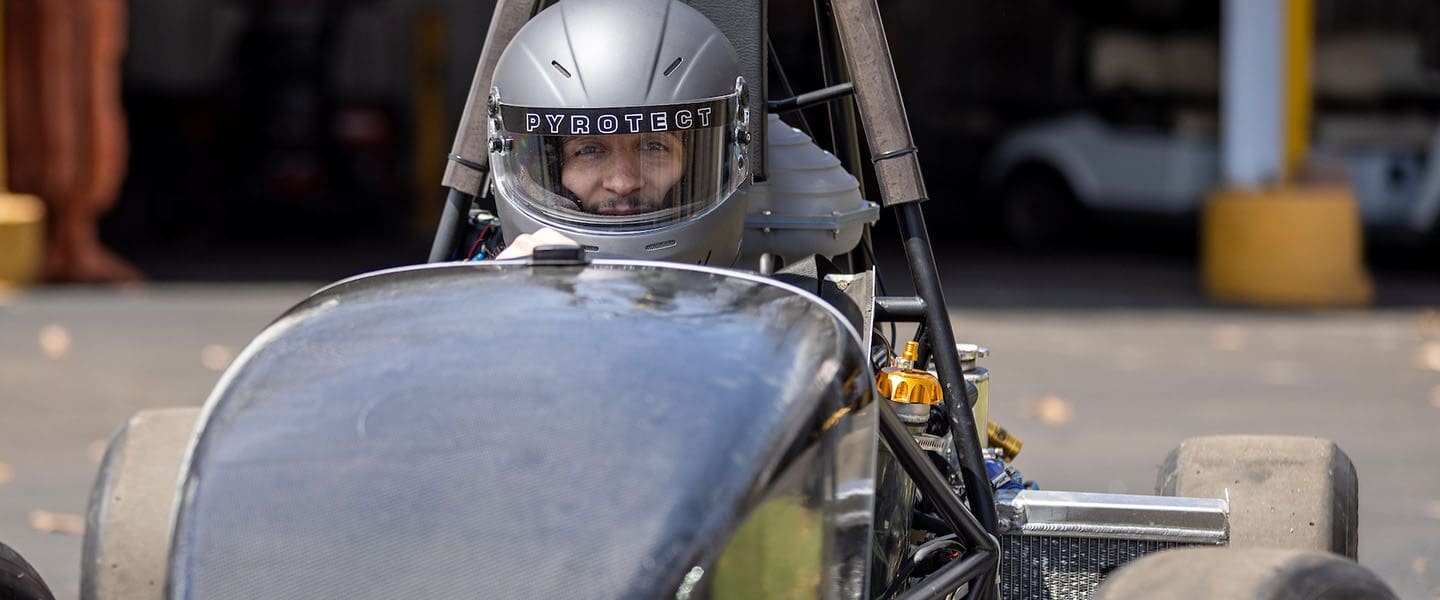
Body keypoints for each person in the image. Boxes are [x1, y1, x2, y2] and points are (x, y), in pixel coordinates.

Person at [481, 0, 752, 265]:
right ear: (544, 172)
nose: (623, 182)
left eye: (654, 146)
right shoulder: (486, 303)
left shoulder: (782, 303)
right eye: (588, 150)